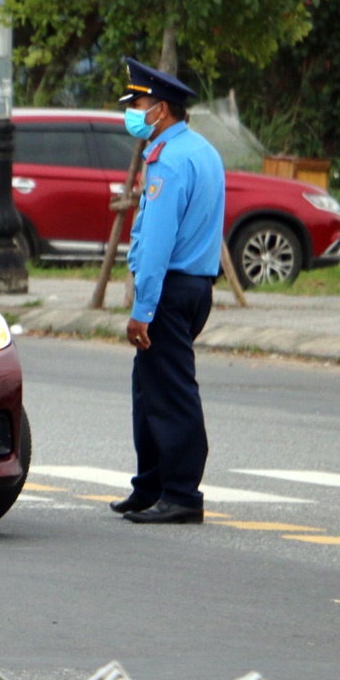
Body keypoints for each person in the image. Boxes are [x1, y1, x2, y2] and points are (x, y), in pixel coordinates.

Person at [110, 57, 227, 525]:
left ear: (160, 110)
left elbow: (157, 244)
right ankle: (150, 486)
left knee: (171, 392)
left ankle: (181, 493)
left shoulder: (168, 162)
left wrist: (142, 308)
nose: (133, 113)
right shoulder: (203, 151)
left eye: (138, 105)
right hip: (196, 285)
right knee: (149, 388)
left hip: (169, 290)